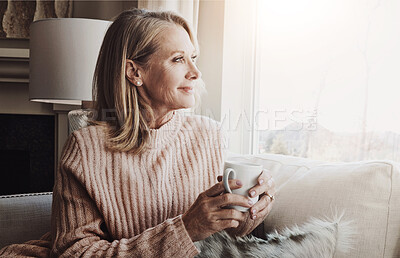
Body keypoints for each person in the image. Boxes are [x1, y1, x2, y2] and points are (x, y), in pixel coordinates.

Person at [0, 8, 275, 257]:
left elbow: (225, 234)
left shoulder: (208, 135)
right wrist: (186, 229)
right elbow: (75, 253)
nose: (196, 72)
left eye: (193, 58)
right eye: (178, 59)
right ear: (134, 72)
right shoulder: (86, 148)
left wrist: (253, 208)